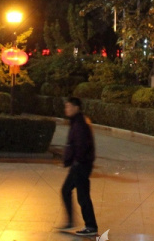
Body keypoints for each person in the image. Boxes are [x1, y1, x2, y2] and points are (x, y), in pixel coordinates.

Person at [58, 97, 98, 237]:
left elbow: (81, 146)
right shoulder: (76, 122)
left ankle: (91, 226)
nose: (66, 109)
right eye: (66, 106)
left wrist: (76, 162)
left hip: (80, 165)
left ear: (76, 108)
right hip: (78, 164)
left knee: (83, 196)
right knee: (66, 190)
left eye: (69, 106)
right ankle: (71, 222)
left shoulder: (80, 124)